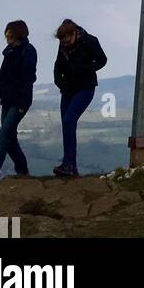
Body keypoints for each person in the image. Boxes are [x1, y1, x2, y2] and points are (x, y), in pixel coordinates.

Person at [52, 18, 107, 177]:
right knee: (66, 124)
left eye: (66, 39)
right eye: (62, 40)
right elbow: (58, 64)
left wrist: (86, 69)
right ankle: (71, 167)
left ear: (74, 33)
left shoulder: (90, 41)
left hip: (85, 88)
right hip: (67, 89)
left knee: (69, 120)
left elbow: (102, 60)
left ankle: (68, 164)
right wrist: (58, 80)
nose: (65, 43)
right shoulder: (63, 45)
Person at [0, 20, 37, 181]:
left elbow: (29, 79)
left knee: (2, 140)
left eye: (10, 33)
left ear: (18, 34)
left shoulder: (28, 51)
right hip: (6, 101)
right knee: (10, 140)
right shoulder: (9, 52)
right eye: (6, 33)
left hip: (19, 102)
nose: (7, 36)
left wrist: (22, 104)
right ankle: (23, 171)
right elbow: (1, 78)